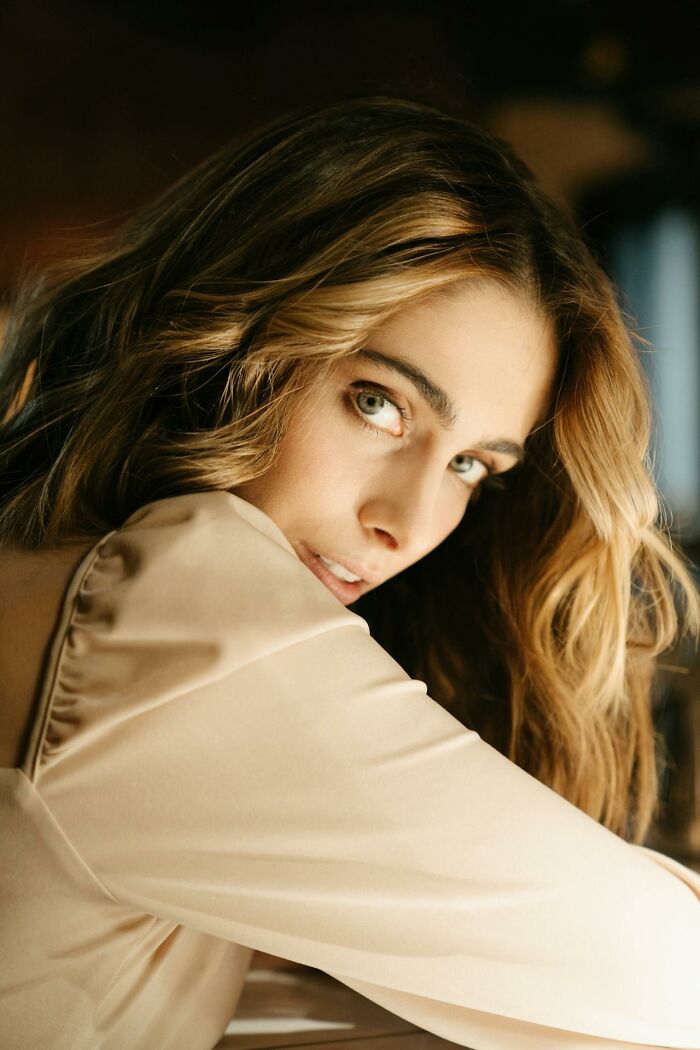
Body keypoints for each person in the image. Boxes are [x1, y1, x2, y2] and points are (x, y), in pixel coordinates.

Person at [0, 96, 698, 1050]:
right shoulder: (173, 612)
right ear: (233, 333)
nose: (406, 524)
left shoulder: (55, 573)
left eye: (472, 466)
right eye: (378, 404)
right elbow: (664, 969)